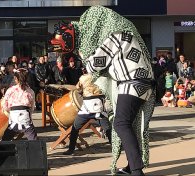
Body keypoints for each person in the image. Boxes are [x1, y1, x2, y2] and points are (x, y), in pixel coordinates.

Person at [49, 6, 155, 175]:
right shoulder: (126, 32)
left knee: (121, 124)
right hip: (140, 82)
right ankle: (131, 166)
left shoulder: (114, 36)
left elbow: (94, 64)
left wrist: (83, 54)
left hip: (132, 82)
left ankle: (136, 171)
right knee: (130, 125)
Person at [63, 74, 111, 155]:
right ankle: (115, 146)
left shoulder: (83, 78)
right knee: (107, 128)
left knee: (75, 128)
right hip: (98, 108)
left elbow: (78, 88)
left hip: (87, 109)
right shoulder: (101, 78)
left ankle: (71, 149)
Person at [2, 68, 37, 141]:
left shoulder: (10, 90)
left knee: (5, 140)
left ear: (15, 78)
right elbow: (32, 108)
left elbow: (5, 106)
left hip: (13, 118)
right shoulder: (30, 91)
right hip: (26, 118)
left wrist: (11, 111)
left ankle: (5, 151)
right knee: (34, 141)